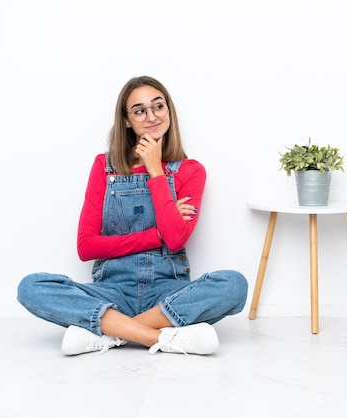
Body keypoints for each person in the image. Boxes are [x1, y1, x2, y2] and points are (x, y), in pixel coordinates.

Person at [17, 76, 248, 356]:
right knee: (30, 287)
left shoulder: (190, 171)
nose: (151, 116)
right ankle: (161, 337)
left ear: (169, 111)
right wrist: (156, 235)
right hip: (112, 292)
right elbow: (86, 246)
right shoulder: (104, 167)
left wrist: (156, 171)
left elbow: (175, 241)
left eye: (158, 107)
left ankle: (112, 333)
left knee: (234, 284)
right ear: (127, 121)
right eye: (139, 111)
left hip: (167, 293)